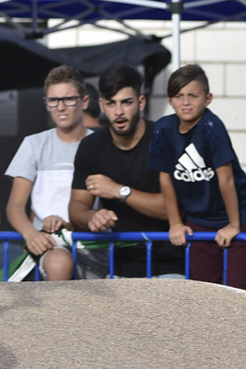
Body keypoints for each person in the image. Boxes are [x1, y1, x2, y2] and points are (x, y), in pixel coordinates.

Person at [150, 64, 246, 290]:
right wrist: (175, 223)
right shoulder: (163, 129)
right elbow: (165, 178)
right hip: (199, 218)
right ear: (170, 100)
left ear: (208, 98)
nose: (186, 102)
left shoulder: (212, 126)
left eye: (193, 95)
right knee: (203, 289)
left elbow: (226, 179)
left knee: (238, 288)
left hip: (238, 214)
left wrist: (233, 225)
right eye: (179, 96)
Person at [68, 64, 184, 279]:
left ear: (141, 103)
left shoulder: (166, 140)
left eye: (126, 102)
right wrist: (91, 216)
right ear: (101, 105)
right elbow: (76, 207)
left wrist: (120, 191)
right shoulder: (91, 147)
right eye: (111, 104)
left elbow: (177, 208)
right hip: (119, 268)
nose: (118, 112)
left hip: (172, 265)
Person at [5, 65, 91, 281]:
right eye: (53, 100)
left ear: (84, 101)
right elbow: (15, 205)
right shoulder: (33, 144)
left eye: (68, 99)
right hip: (51, 244)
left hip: (95, 241)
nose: (60, 107)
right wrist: (31, 234)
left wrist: (74, 222)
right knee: (59, 264)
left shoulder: (100, 144)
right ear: (46, 104)